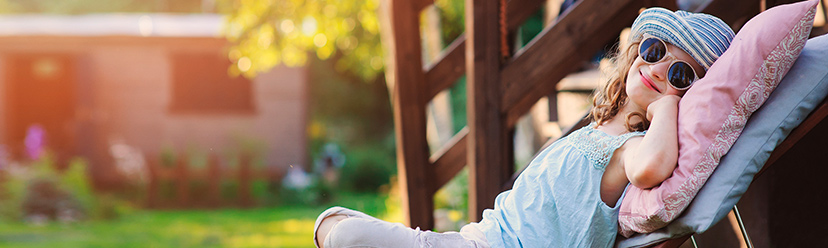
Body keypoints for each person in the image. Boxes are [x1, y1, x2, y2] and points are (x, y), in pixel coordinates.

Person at [312, 7, 735, 248]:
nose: (659, 69)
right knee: (330, 223)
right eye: (654, 50)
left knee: (343, 235)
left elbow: (651, 169)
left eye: (680, 74)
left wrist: (666, 112)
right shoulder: (601, 128)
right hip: (481, 237)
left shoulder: (632, 149)